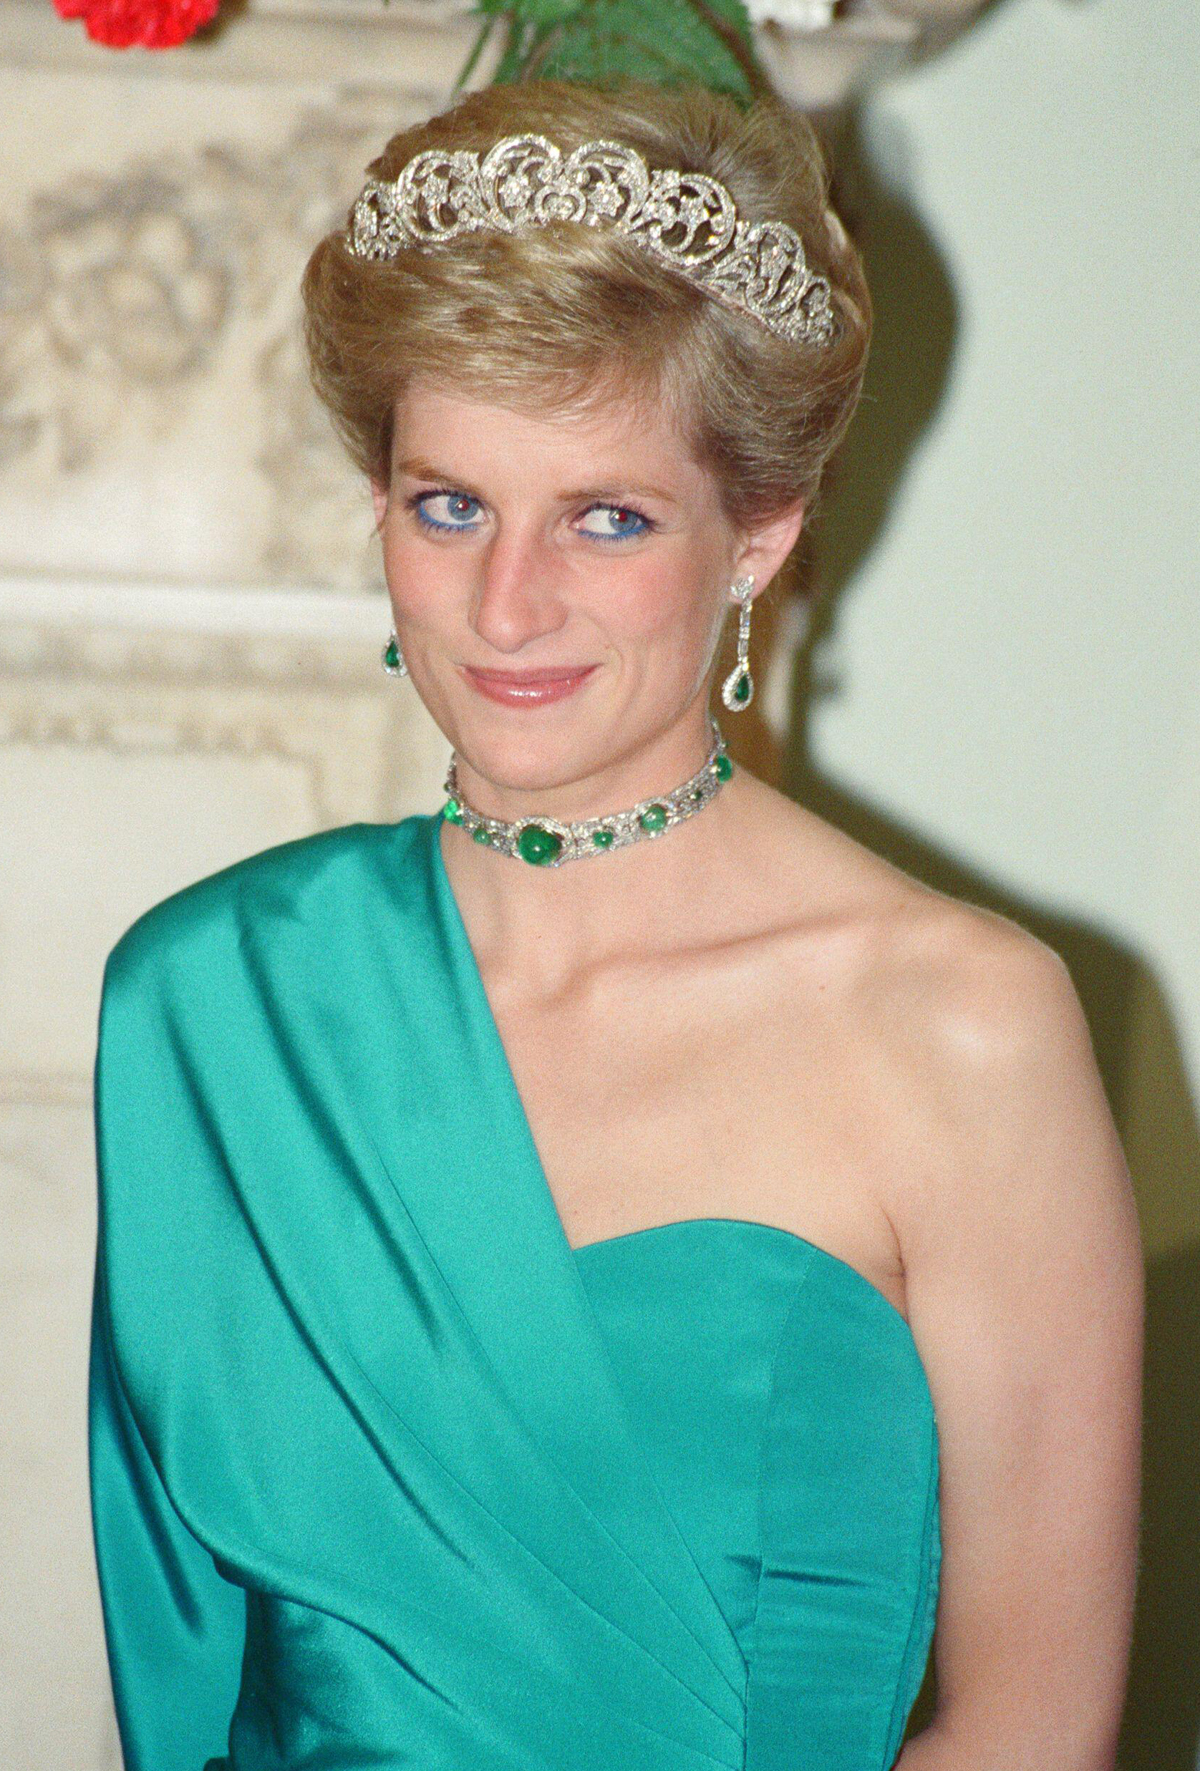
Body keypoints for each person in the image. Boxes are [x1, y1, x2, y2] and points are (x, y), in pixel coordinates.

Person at [87, 76, 1144, 1771]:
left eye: (608, 516)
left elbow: (1034, 1726)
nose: (509, 603)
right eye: (452, 506)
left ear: (759, 539)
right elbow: (182, 1658)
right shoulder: (210, 1005)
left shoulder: (964, 1025)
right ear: (383, 514)